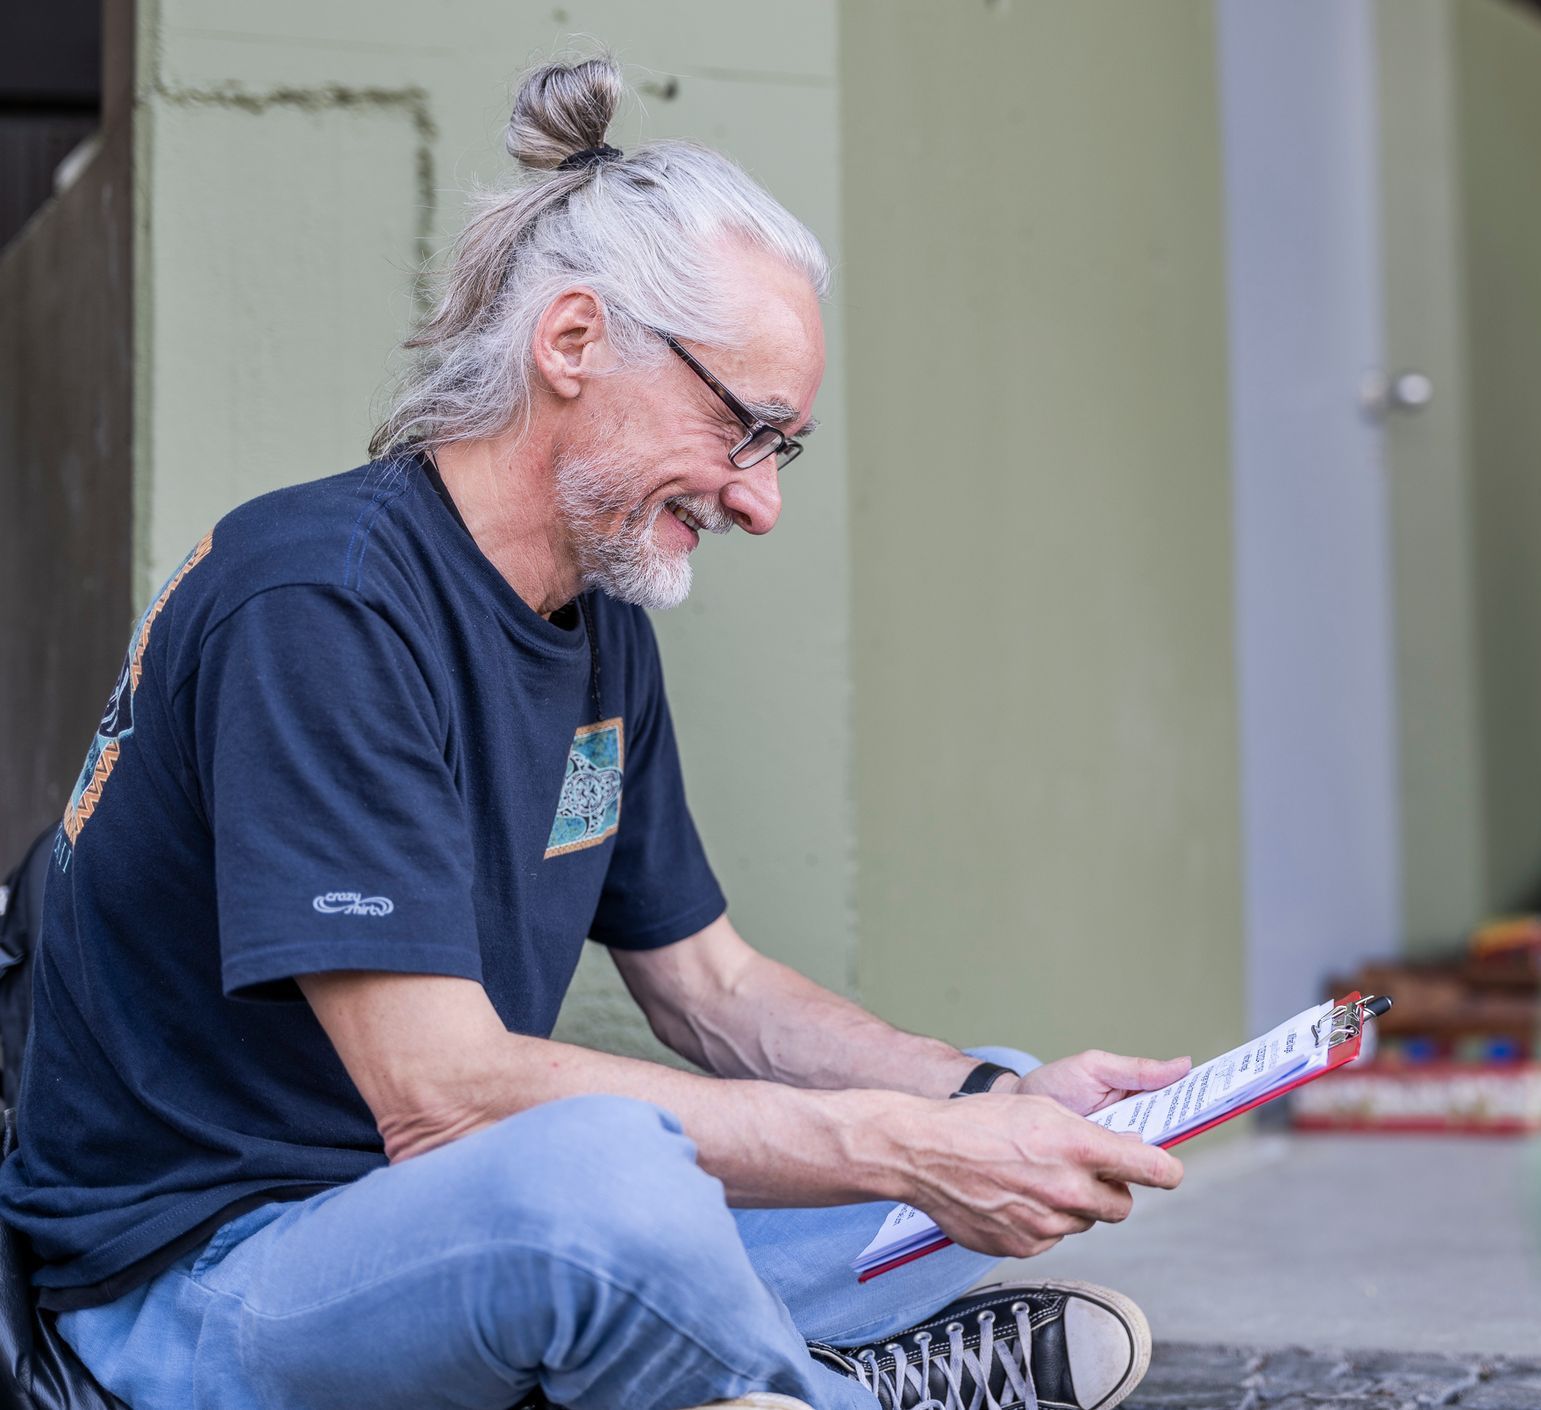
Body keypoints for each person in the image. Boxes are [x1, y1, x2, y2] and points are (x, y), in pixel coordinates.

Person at [0, 56, 1190, 1410]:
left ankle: (736, 1371)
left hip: (456, 1228)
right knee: (604, 1178)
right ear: (571, 342)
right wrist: (903, 1148)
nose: (760, 502)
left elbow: (711, 989)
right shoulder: (320, 601)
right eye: (744, 429)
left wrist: (971, 1103)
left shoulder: (597, 610)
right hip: (214, 1278)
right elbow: (442, 1096)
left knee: (1007, 1102)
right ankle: (837, 1389)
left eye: (782, 450)